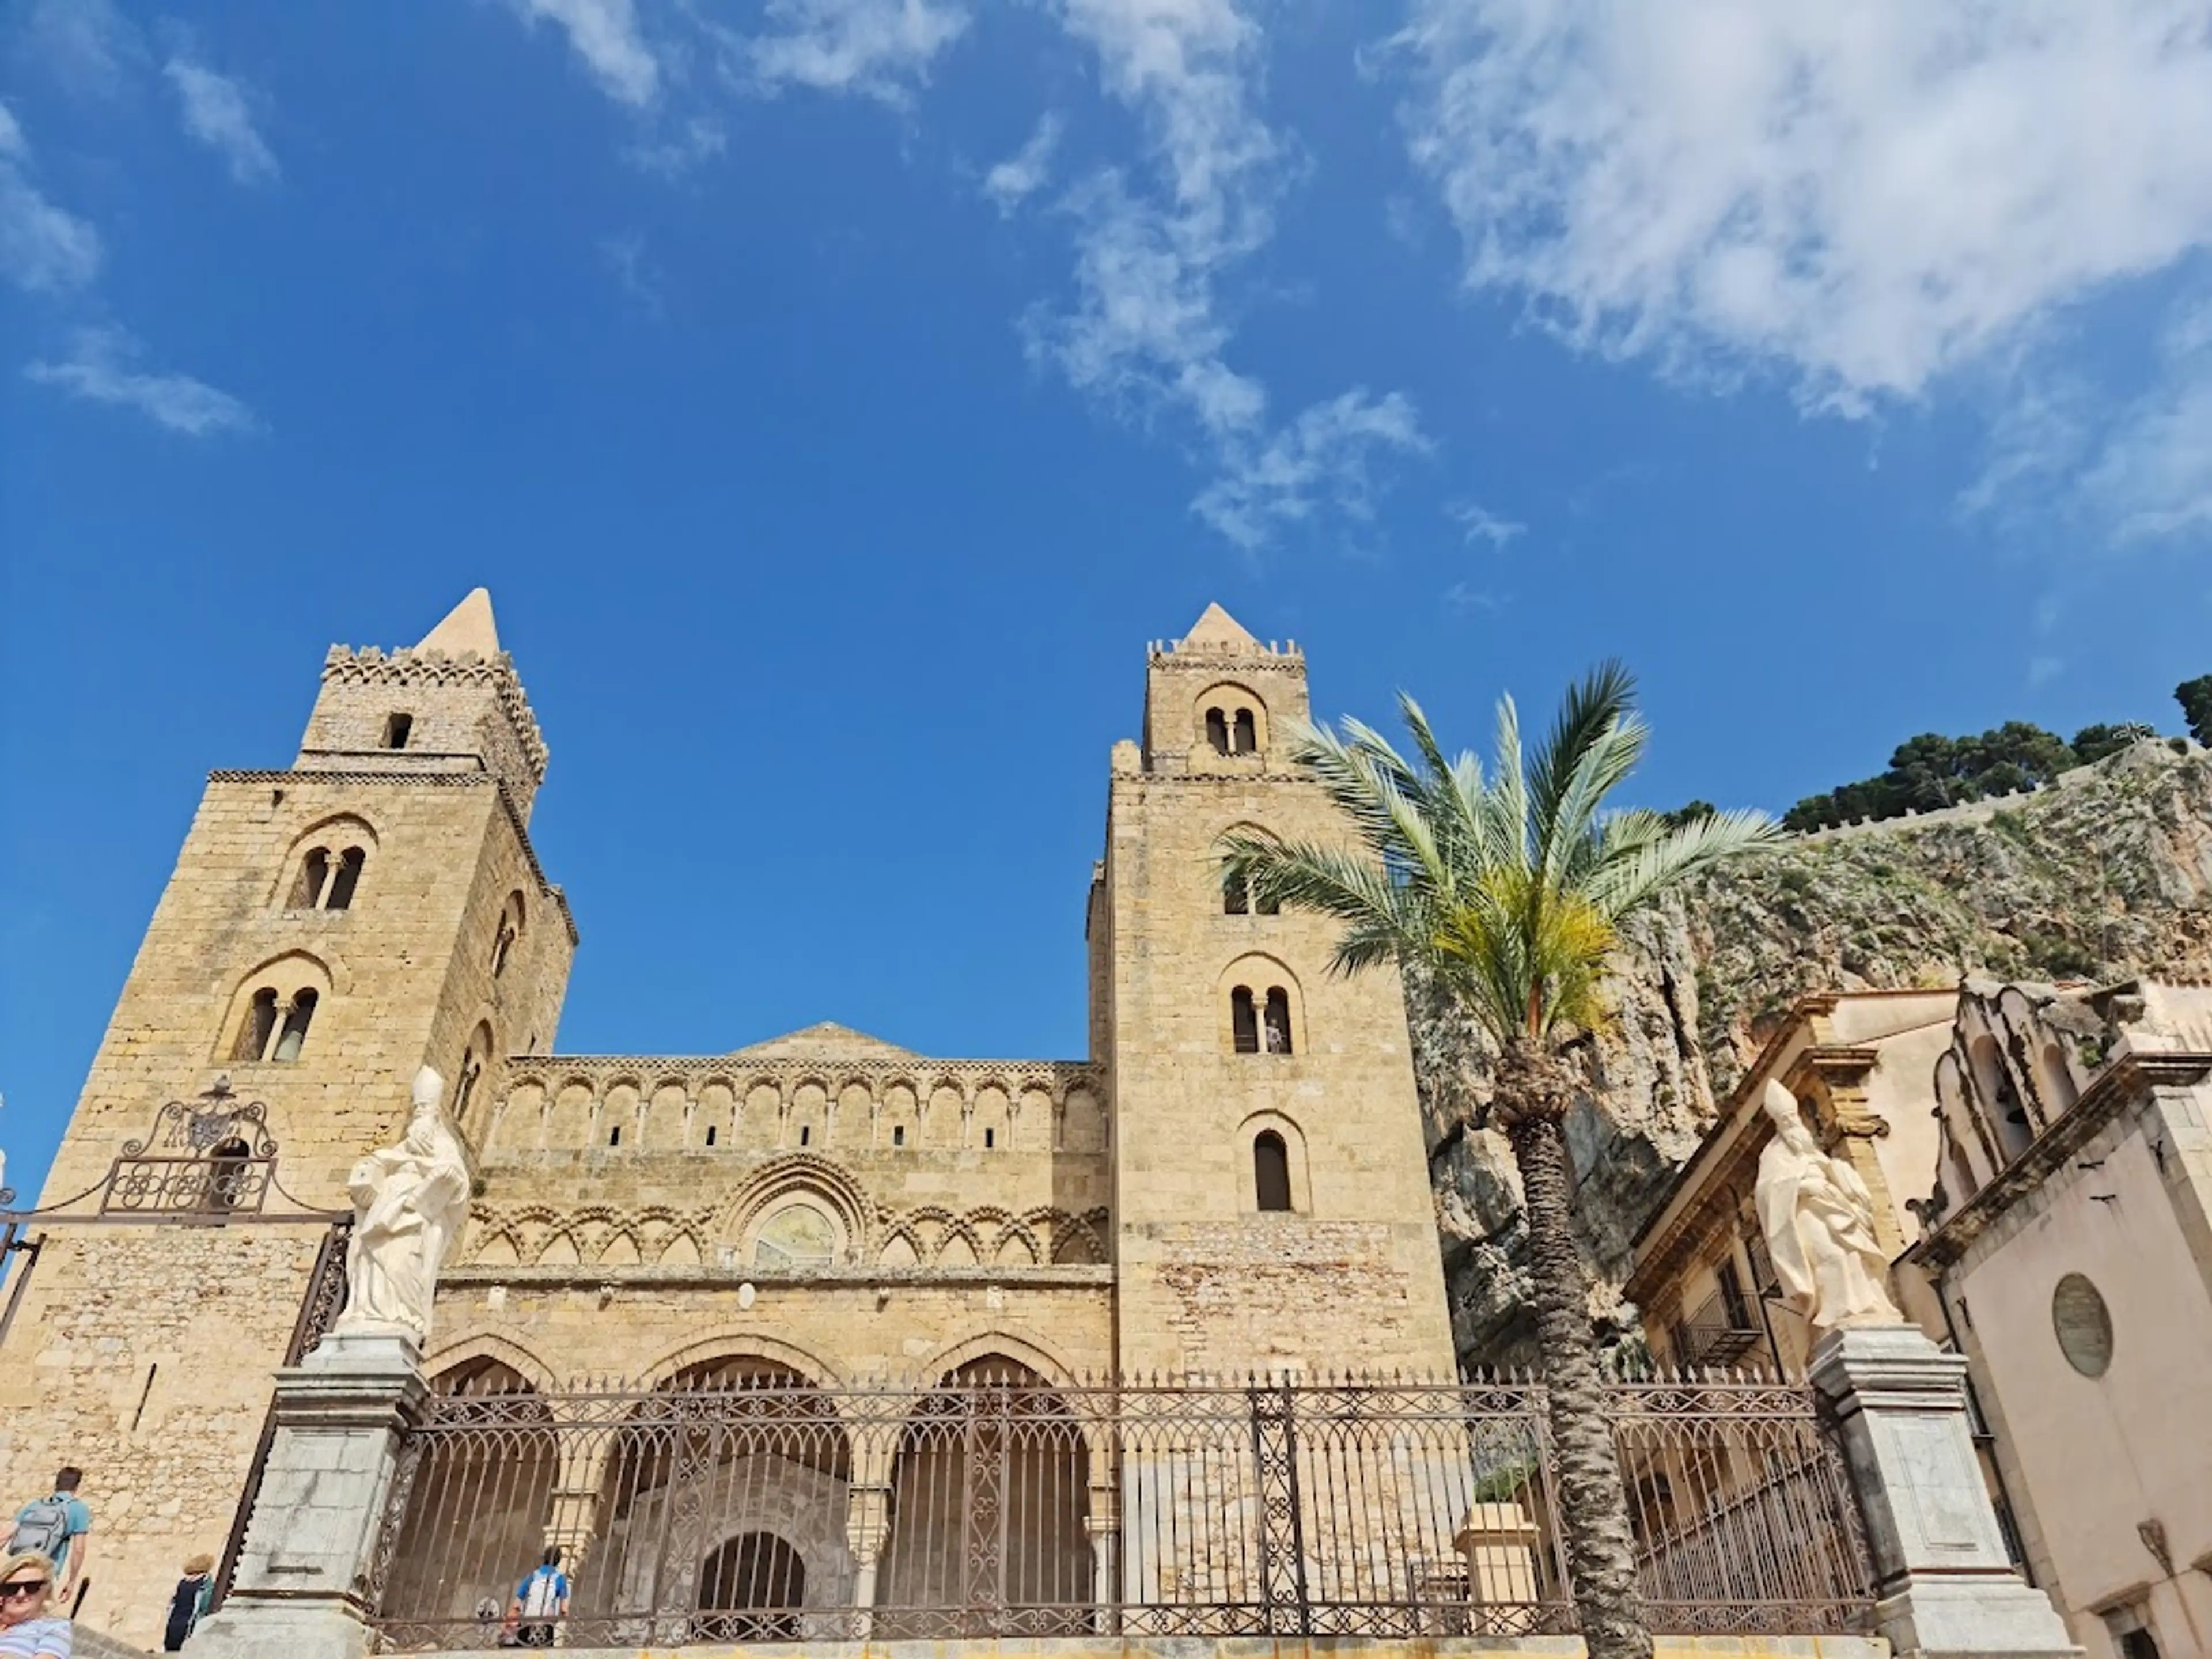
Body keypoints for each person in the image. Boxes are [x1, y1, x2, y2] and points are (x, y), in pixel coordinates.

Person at [6, 1472, 89, 1609]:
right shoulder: (78, 1509)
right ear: (77, 1486)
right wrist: (72, 1581)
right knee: (34, 1617)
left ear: (57, 1484)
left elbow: (6, 1534)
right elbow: (78, 1549)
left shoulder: (36, 1505)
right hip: (43, 1574)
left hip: (17, 1571)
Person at [0, 1550, 71, 1658]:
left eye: (32, 1587)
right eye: (12, 1588)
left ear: (46, 1592)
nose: (21, 1594)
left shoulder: (54, 1627)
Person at [506, 1547, 568, 1649]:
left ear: (544, 1558)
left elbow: (517, 1604)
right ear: (559, 1561)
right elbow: (564, 1609)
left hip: (527, 1622)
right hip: (545, 1626)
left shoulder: (532, 1576)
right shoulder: (560, 1579)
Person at [161, 1554, 214, 1652]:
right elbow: (205, 1604)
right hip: (191, 1621)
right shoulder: (205, 1581)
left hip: (175, 1619)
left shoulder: (183, 1582)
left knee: (172, 1647)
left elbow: (173, 1602)